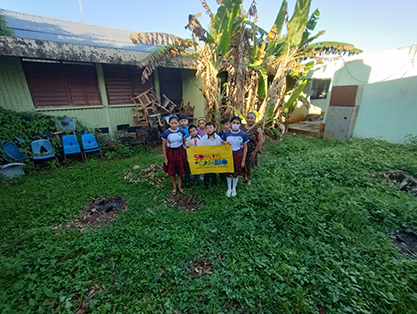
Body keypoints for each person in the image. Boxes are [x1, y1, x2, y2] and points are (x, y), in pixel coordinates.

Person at [221, 116, 249, 197]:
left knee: (236, 172)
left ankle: (234, 188)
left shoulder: (243, 134)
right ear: (230, 123)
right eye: (233, 123)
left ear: (240, 124)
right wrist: (224, 143)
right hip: (228, 154)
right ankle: (229, 188)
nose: (235, 125)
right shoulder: (226, 133)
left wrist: (243, 160)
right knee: (228, 172)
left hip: (238, 154)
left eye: (237, 123)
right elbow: (221, 144)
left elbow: (245, 147)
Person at [161, 116, 187, 196]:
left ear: (178, 123)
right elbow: (163, 146)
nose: (174, 125)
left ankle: (179, 186)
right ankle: (174, 187)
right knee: (172, 172)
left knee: (179, 170)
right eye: (172, 123)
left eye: (175, 123)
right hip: (170, 153)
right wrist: (165, 158)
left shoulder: (181, 131)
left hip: (180, 152)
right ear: (169, 123)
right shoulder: (166, 133)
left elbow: (184, 141)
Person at [241, 112, 263, 186]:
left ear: (254, 119)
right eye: (248, 118)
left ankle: (249, 178)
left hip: (252, 150)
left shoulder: (257, 129)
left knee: (249, 167)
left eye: (251, 118)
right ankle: (244, 178)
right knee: (243, 165)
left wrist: (254, 152)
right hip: (243, 150)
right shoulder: (242, 127)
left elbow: (260, 141)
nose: (249, 120)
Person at [200, 121, 223, 189]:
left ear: (214, 129)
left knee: (214, 171)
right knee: (206, 171)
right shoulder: (203, 139)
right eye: (207, 128)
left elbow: (221, 148)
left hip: (215, 158)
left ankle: (214, 184)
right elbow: (200, 148)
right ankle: (206, 184)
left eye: (210, 128)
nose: (209, 129)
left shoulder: (218, 138)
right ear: (205, 130)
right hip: (206, 158)